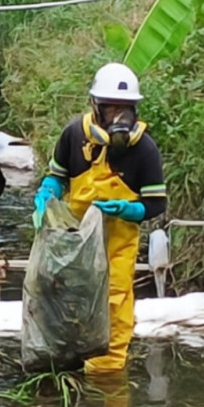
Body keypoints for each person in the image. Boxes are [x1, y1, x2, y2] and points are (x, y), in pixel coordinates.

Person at [32, 63, 167, 374]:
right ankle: (63, 366)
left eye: (125, 109)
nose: (119, 117)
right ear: (95, 106)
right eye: (110, 109)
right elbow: (58, 176)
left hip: (116, 246)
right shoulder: (73, 135)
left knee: (113, 308)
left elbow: (156, 203)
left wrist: (130, 210)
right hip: (74, 241)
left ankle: (105, 380)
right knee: (62, 300)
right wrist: (46, 194)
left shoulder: (144, 150)